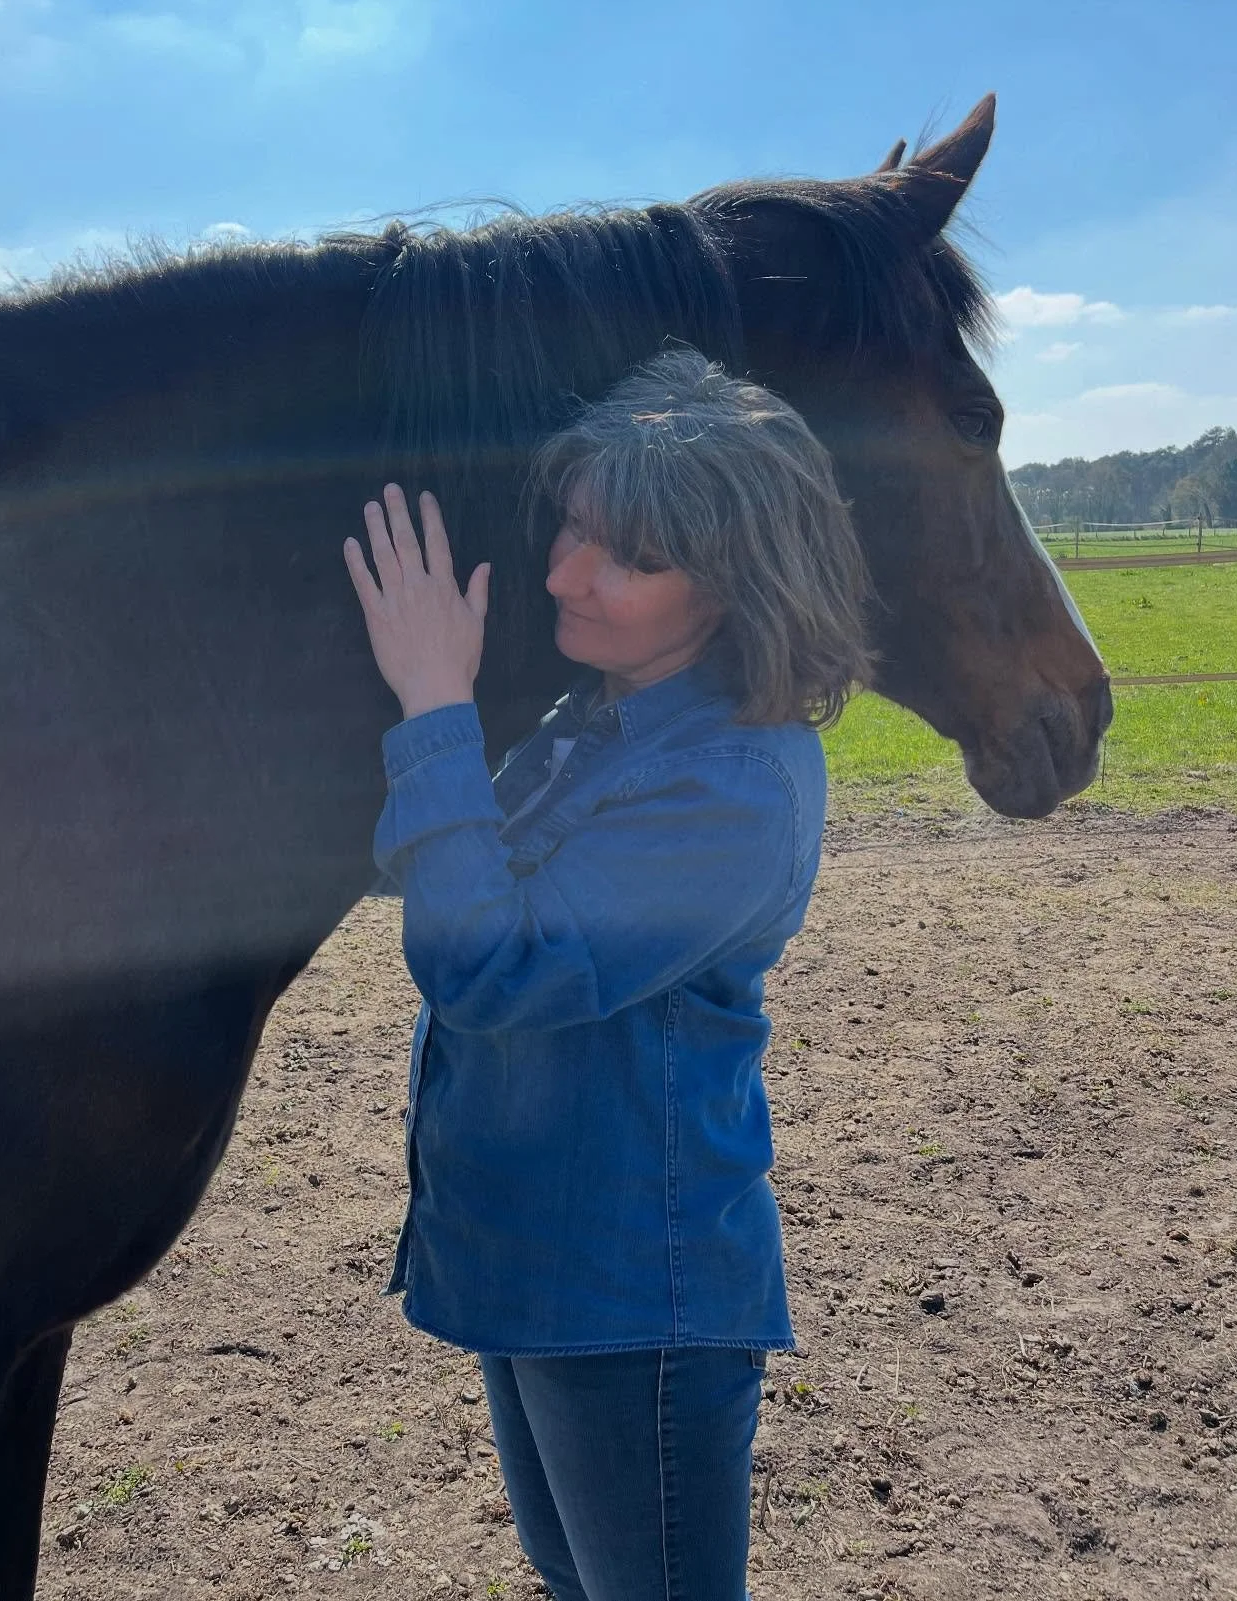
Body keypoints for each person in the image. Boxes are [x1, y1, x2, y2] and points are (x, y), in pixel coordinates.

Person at [342, 347, 871, 1601]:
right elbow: (407, 865)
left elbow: (489, 961)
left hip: (634, 1291)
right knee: (575, 1576)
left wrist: (433, 704)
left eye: (628, 557)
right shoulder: (595, 719)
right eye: (575, 527)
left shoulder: (734, 779)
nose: (565, 573)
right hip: (536, 1259)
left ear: (739, 585)